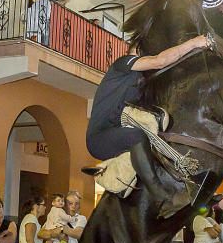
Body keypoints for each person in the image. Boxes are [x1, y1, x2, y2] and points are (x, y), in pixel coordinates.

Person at [85, 34, 211, 167]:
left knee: (151, 140)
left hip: (118, 136)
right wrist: (194, 43)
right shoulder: (123, 63)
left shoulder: (140, 84)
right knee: (138, 136)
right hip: (99, 138)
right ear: (140, 50)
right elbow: (160, 61)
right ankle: (156, 185)